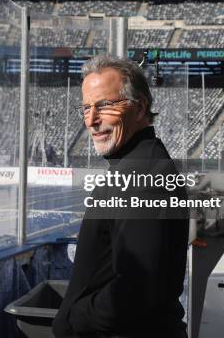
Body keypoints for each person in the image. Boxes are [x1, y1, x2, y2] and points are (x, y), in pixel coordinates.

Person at [53, 55, 189, 338]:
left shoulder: (140, 177)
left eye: (104, 105)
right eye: (86, 108)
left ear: (139, 109)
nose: (91, 120)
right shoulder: (138, 165)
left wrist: (76, 318)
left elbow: (137, 287)